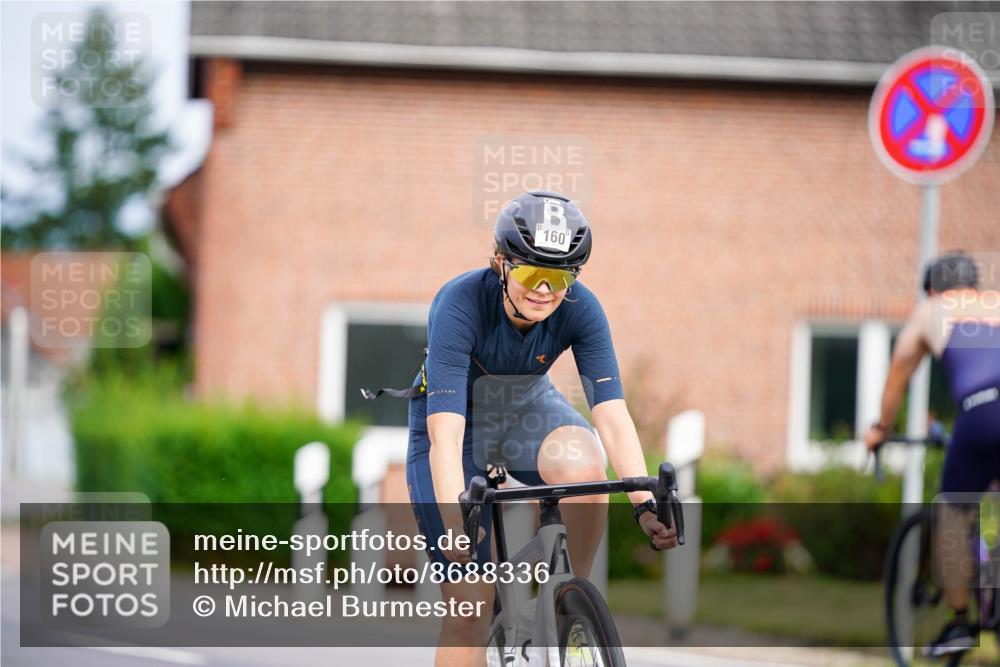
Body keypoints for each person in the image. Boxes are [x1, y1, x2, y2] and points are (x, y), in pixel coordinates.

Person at [404, 190, 678, 666]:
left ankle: (570, 604)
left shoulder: (581, 307)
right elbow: (444, 436)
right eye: (532, 274)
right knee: (469, 600)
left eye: (559, 277)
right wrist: (457, 526)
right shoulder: (459, 302)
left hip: (529, 410)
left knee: (586, 466)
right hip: (457, 430)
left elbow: (611, 414)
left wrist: (643, 504)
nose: (545, 291)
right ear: (500, 263)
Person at [864, 251, 1000, 657]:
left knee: (953, 514)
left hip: (984, 411)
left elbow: (897, 375)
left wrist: (880, 430)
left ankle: (960, 624)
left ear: (932, 288)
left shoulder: (931, 309)